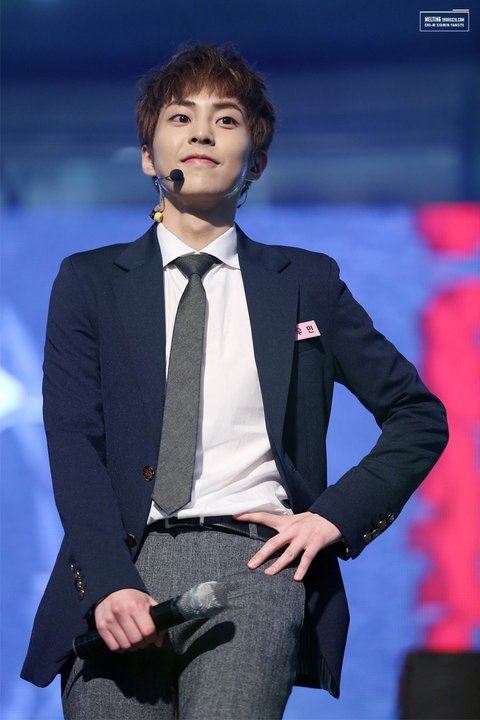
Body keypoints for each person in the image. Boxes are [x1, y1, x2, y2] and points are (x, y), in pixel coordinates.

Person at [21, 44, 448, 719]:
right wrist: (107, 582)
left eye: (225, 120)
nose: (200, 133)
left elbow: (417, 415)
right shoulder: (90, 282)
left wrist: (332, 517)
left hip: (253, 569)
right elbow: (75, 442)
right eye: (180, 117)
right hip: (120, 569)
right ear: (147, 157)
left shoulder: (305, 282)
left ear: (257, 161)